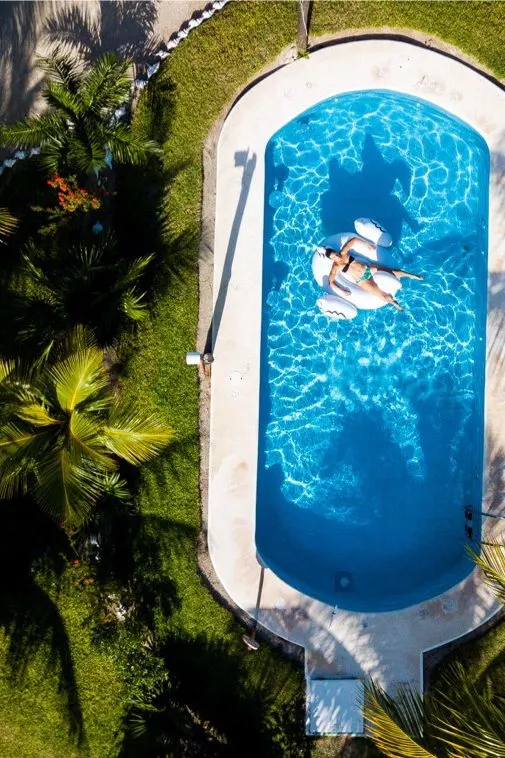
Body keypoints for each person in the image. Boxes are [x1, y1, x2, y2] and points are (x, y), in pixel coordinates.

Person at [325, 236, 423, 312]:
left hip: (368, 269)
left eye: (336, 253)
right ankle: (395, 304)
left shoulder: (343, 252)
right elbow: (331, 281)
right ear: (332, 259)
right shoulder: (335, 267)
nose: (337, 256)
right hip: (362, 281)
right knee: (381, 295)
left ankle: (412, 275)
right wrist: (341, 291)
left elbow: (354, 240)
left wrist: (367, 244)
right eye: (334, 257)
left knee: (392, 271)